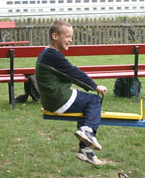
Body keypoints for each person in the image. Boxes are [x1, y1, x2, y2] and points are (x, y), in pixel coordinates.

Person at [35, 20, 107, 165]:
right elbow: (74, 73)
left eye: (71, 37)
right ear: (55, 36)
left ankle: (85, 150)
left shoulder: (47, 54)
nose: (70, 40)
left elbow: (68, 75)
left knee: (85, 106)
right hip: (58, 99)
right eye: (67, 36)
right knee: (94, 100)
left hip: (52, 100)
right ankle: (88, 131)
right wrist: (95, 86)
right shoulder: (53, 55)